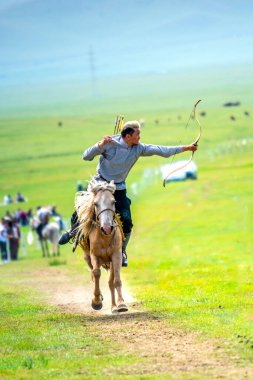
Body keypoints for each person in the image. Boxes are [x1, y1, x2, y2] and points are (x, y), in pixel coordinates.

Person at [58, 120, 198, 266]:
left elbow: (162, 150)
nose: (140, 137)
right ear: (128, 136)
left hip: (118, 188)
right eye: (138, 134)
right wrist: (99, 146)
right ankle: (72, 231)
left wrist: (187, 148)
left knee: (127, 220)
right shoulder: (109, 143)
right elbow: (86, 156)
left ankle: (122, 251)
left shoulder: (138, 148)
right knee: (81, 210)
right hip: (100, 184)